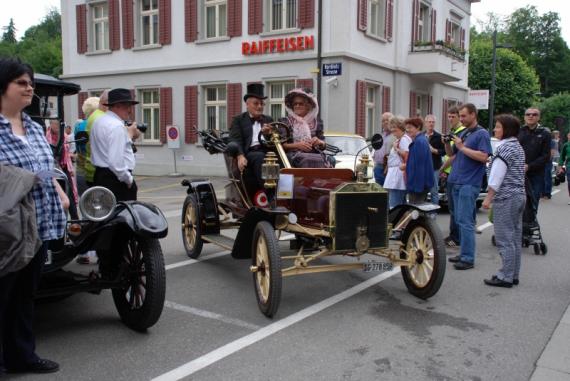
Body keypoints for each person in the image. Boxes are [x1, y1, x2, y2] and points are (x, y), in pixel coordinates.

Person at [0, 57, 68, 374]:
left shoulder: (35, 127)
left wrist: (60, 190)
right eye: (21, 83)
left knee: (25, 296)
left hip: (39, 224)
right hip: (8, 228)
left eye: (30, 83)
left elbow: (45, 166)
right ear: (3, 87)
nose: (29, 88)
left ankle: (22, 356)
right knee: (4, 295)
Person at [445, 103, 492, 270]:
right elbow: (452, 155)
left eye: (464, 116)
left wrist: (462, 147)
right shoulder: (464, 132)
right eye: (460, 115)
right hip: (456, 181)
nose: (461, 119)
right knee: (459, 220)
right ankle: (463, 252)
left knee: (465, 222)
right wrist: (447, 143)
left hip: (468, 183)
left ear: (473, 114)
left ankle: (468, 258)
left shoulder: (482, 133)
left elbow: (484, 156)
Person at [482, 114, 526, 288]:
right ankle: (513, 274)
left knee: (504, 239)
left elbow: (497, 177)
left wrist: (488, 198)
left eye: (498, 127)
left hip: (506, 197)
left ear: (506, 129)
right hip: (519, 195)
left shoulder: (503, 149)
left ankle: (505, 276)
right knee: (515, 237)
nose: (495, 130)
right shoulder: (517, 147)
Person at [90, 88, 141, 201]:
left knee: (103, 215)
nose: (130, 111)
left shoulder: (99, 121)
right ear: (117, 106)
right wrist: (128, 180)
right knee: (123, 216)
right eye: (127, 106)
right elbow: (115, 162)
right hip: (116, 180)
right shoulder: (116, 126)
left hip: (100, 175)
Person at [229, 83, 273, 189]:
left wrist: (269, 134)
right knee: (259, 157)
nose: (259, 106)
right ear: (247, 105)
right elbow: (235, 140)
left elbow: (274, 141)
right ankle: (270, 195)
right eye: (256, 103)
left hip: (268, 151)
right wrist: (240, 155)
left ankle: (289, 194)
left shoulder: (268, 119)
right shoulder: (238, 120)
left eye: (262, 104)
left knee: (288, 158)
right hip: (250, 153)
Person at [280, 88, 328, 168]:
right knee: (308, 159)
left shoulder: (317, 122)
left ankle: (320, 181)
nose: (297, 106)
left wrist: (319, 142)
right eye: (295, 104)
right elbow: (281, 145)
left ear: (308, 106)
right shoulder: (286, 121)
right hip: (293, 154)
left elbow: (323, 145)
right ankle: (308, 181)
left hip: (314, 153)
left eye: (300, 104)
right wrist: (297, 145)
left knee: (328, 159)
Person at [440, 107, 466, 247]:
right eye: (449, 116)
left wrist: (442, 167)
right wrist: (445, 142)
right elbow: (450, 153)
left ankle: (457, 237)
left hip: (456, 173)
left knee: (456, 209)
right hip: (451, 173)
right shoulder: (452, 131)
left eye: (453, 116)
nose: (451, 119)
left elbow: (455, 156)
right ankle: (454, 235)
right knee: (452, 208)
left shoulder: (461, 132)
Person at [518, 108, 551, 209]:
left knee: (532, 203)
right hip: (518, 173)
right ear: (524, 117)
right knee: (518, 204)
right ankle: (519, 225)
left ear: (538, 117)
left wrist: (529, 166)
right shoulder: (519, 131)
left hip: (536, 174)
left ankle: (530, 224)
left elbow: (545, 156)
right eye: (528, 114)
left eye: (534, 114)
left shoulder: (545, 133)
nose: (530, 116)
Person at [46, 119, 79, 218]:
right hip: (53, 169)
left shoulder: (64, 136)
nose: (56, 126)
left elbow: (66, 154)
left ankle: (75, 220)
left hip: (64, 168)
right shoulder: (47, 137)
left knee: (70, 193)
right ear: (50, 124)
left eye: (58, 124)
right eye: (54, 124)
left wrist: (70, 167)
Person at [405, 117, 434, 204]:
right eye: (407, 127)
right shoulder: (419, 140)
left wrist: (417, 188)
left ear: (418, 127)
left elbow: (419, 166)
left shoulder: (419, 142)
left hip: (417, 186)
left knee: (415, 211)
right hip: (418, 184)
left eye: (410, 127)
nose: (407, 130)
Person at [75, 96, 101, 195]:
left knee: (85, 202)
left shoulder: (78, 126)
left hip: (81, 170)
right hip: (95, 171)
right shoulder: (99, 124)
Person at [383, 116, 410, 209]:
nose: (393, 133)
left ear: (401, 128)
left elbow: (407, 155)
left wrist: (396, 149)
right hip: (395, 175)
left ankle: (394, 223)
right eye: (392, 130)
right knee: (399, 206)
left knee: (394, 206)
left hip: (398, 177)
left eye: (395, 130)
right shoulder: (401, 139)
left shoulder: (404, 139)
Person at [424, 114, 445, 204]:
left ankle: (433, 213)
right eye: (429, 122)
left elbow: (444, 152)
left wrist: (434, 150)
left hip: (434, 167)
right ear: (425, 123)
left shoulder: (439, 136)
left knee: (434, 191)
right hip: (423, 167)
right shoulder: (421, 136)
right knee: (422, 191)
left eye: (433, 122)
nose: (431, 124)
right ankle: (422, 211)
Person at [372, 112, 394, 186]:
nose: (385, 122)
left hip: (388, 168)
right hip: (378, 167)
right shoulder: (382, 135)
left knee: (388, 192)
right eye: (383, 121)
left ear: (392, 121)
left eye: (387, 120)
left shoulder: (395, 135)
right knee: (379, 192)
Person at [544, 130, 560, 199]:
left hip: (547, 161)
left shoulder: (551, 141)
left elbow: (552, 153)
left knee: (547, 177)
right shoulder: (543, 141)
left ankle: (547, 193)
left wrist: (548, 159)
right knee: (542, 177)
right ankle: (543, 192)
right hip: (542, 162)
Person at [558, 132, 570, 205]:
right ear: (568, 136)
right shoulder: (566, 145)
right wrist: (560, 167)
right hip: (569, 166)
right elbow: (562, 157)